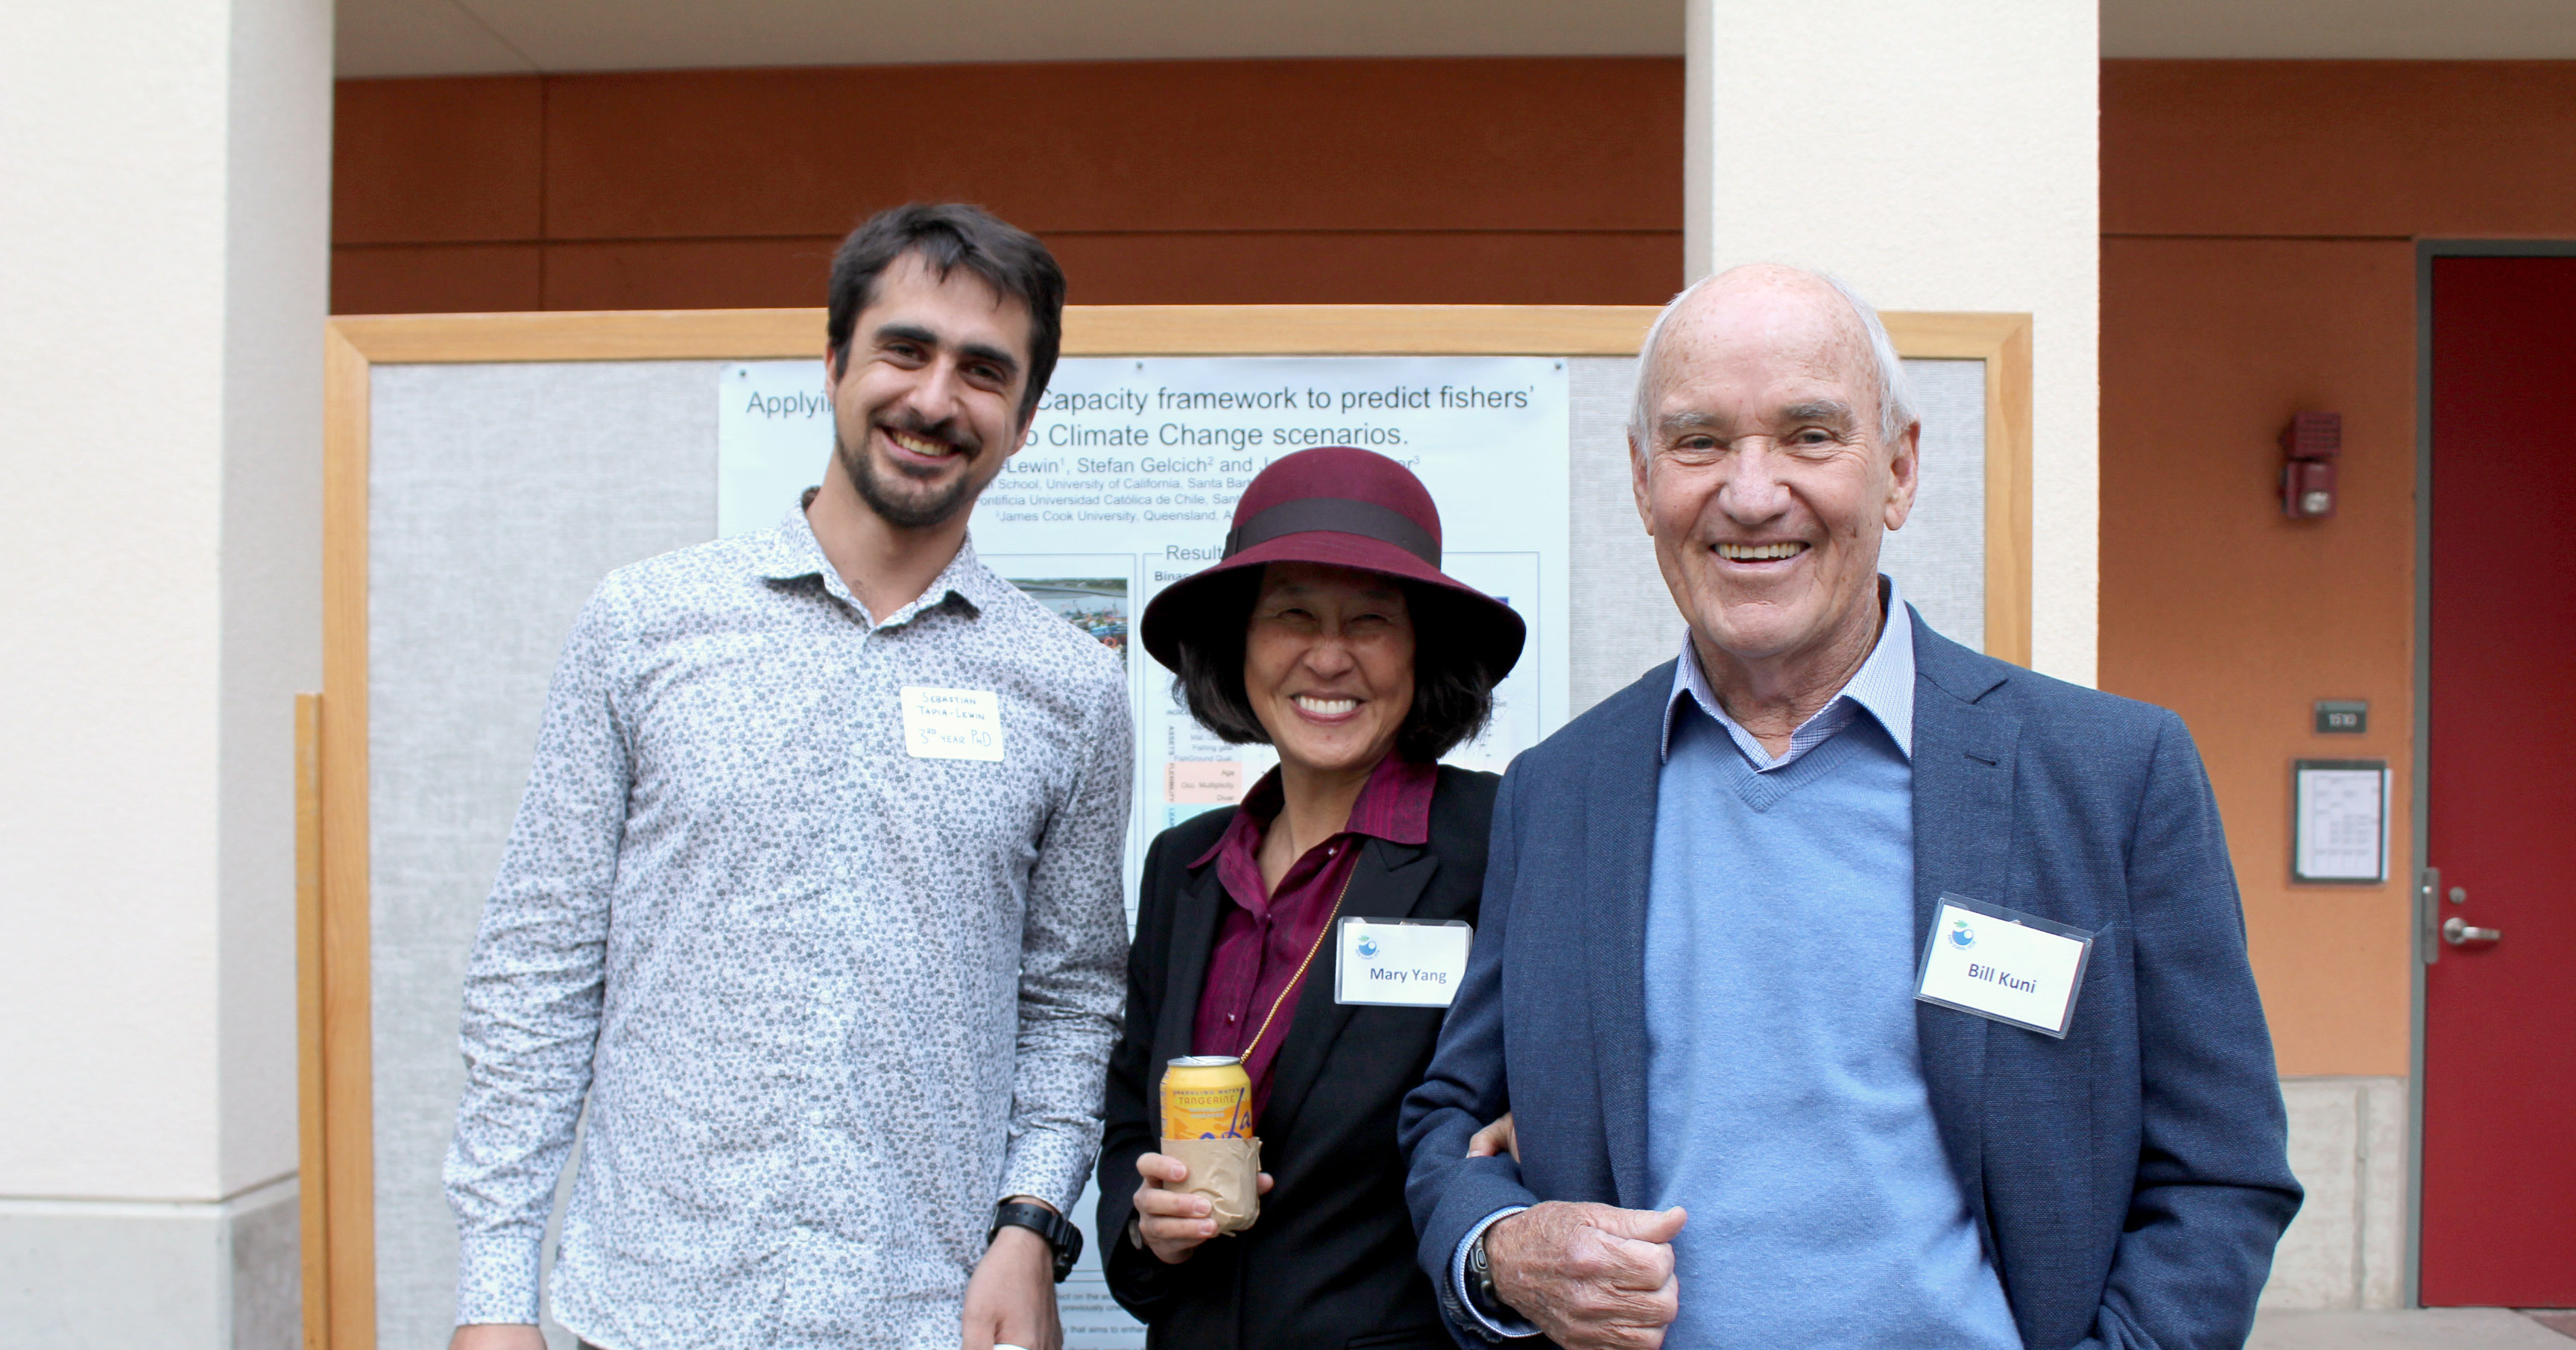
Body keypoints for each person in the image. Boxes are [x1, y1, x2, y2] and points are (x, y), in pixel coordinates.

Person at [1401, 265, 2302, 1349]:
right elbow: (1450, 1113)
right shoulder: (1561, 791)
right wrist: (1498, 1250)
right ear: (1644, 481)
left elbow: (2220, 1168)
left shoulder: (2110, 774)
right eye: (1697, 443)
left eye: (1809, 435)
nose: (1750, 492)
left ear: (1900, 469)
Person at [443, 203, 1129, 1350]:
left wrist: (1031, 1221)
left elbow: (1074, 997)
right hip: (652, 1307)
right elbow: (537, 967)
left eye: (983, 371)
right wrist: (494, 1291)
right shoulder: (647, 624)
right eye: (903, 350)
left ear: (1024, 419)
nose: (933, 399)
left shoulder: (1069, 688)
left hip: (924, 1317)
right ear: (831, 363)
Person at [1094, 447, 1525, 1349]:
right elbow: (1131, 1117)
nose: (1329, 657)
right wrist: (1149, 1226)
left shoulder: (1502, 841)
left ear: (1420, 650)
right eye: (1292, 614)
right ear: (1241, 644)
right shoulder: (1186, 864)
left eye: (1370, 620)